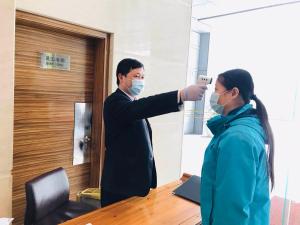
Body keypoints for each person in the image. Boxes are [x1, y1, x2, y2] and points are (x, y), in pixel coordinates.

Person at [101, 58, 207, 207]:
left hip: (135, 182)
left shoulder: (132, 102)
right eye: (136, 76)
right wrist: (180, 95)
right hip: (120, 184)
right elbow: (145, 106)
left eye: (143, 77)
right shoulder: (114, 102)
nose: (140, 81)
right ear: (121, 77)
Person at [200, 69, 274, 225]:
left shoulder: (237, 138)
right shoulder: (235, 128)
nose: (214, 97)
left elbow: (232, 207)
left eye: (216, 91)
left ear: (233, 92)